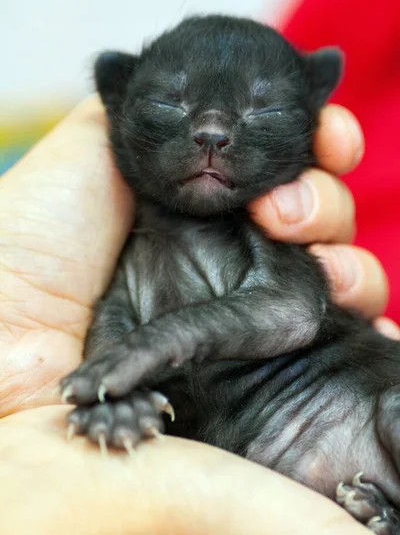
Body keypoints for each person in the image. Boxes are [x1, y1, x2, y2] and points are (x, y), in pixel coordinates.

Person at [0, 95, 397, 534]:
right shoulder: (118, 260)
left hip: (343, 411)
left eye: (260, 113)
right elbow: (108, 353)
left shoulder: (262, 225)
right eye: (172, 103)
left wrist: (140, 356)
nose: (212, 131)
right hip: (261, 463)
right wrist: (109, 396)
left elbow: (293, 313)